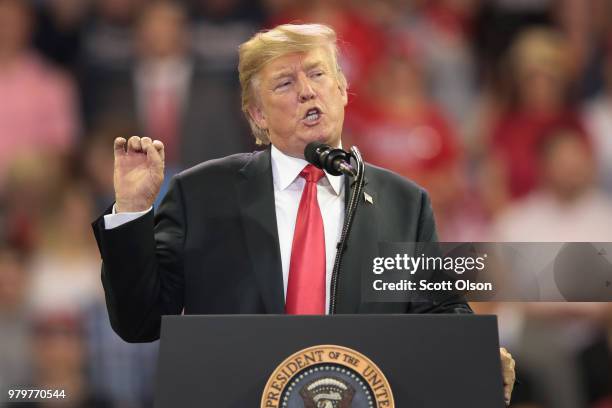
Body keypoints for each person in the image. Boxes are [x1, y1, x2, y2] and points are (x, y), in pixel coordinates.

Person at [91, 23, 515, 403]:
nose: (307, 91)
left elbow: (436, 313)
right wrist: (132, 210)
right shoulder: (201, 194)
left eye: (317, 74)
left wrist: (476, 354)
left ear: (343, 89)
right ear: (257, 113)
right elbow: (139, 321)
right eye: (284, 83)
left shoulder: (402, 202)